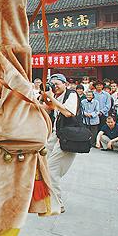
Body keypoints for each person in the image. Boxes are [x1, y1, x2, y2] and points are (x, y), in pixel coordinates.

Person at [40, 73, 79, 214]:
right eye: (53, 84)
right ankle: (44, 197)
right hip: (56, 135)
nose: (55, 87)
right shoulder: (55, 97)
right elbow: (46, 107)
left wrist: (51, 98)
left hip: (68, 137)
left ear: (65, 84)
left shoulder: (72, 95)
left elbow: (69, 113)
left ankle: (58, 204)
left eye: (58, 84)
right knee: (42, 163)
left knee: (51, 171)